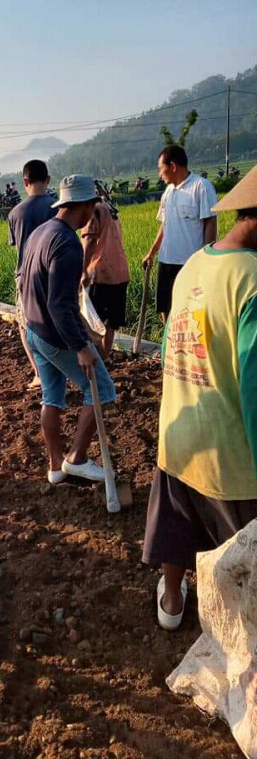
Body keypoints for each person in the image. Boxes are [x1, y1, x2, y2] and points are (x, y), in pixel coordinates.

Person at [142, 164, 257, 631]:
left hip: (179, 439)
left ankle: (172, 601)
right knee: (243, 567)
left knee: (176, 531)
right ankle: (236, 634)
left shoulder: (195, 262)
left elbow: (172, 344)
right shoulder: (252, 281)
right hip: (230, 459)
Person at [20, 174, 117, 485]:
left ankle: (55, 467)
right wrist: (81, 345)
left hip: (34, 329)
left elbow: (27, 283)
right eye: (92, 206)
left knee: (52, 398)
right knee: (102, 389)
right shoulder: (67, 244)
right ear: (85, 205)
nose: (93, 214)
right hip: (54, 334)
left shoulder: (41, 232)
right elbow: (60, 305)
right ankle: (76, 458)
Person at [143, 145, 217, 322]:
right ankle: (169, 347)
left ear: (173, 166)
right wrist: (152, 253)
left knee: (190, 310)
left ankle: (186, 348)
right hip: (166, 260)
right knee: (165, 308)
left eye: (161, 169)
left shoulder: (201, 187)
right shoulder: (168, 192)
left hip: (189, 263)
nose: (160, 174)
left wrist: (205, 259)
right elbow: (164, 225)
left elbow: (210, 223)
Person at [8, 159, 56, 389]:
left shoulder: (16, 213)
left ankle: (39, 374)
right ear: (48, 180)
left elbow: (17, 246)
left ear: (25, 181)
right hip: (55, 274)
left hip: (26, 278)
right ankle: (62, 369)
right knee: (57, 321)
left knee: (26, 325)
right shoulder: (57, 207)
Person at [81, 192, 130, 355]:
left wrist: (83, 270)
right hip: (120, 271)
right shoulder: (111, 210)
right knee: (110, 321)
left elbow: (89, 241)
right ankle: (105, 355)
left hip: (100, 271)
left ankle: (95, 359)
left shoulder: (93, 210)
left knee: (93, 320)